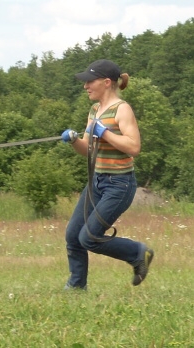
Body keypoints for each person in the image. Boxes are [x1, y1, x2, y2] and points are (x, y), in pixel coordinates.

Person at [60, 59, 154, 290]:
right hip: (97, 181)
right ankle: (76, 287)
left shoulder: (122, 109)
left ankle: (138, 253)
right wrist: (74, 141)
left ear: (106, 82)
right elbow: (88, 150)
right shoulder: (94, 110)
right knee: (73, 236)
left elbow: (134, 147)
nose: (85, 86)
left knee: (89, 238)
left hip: (119, 184)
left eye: (89, 82)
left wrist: (105, 133)